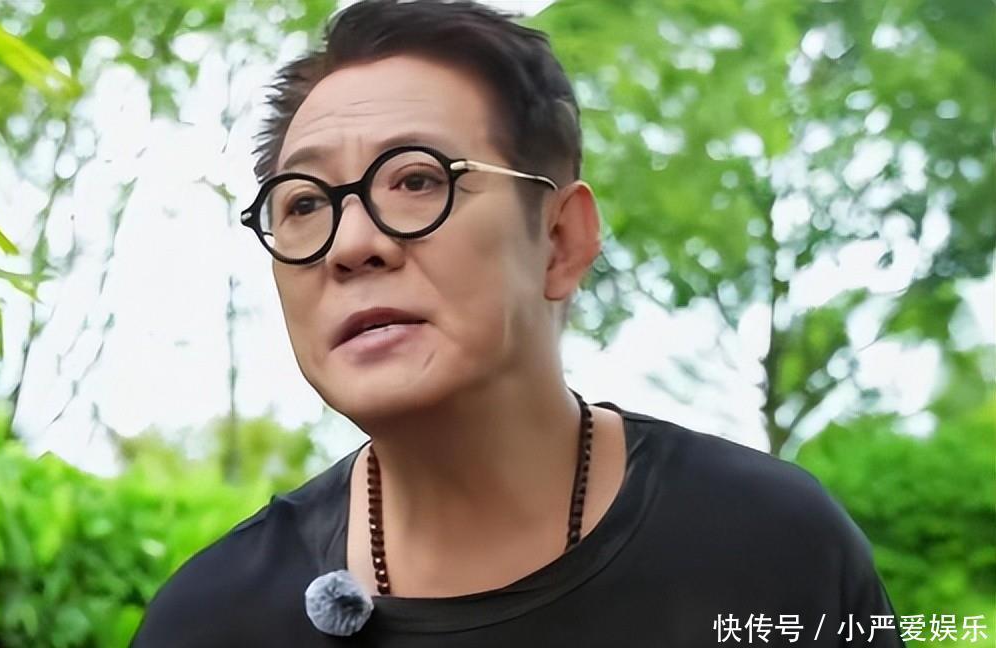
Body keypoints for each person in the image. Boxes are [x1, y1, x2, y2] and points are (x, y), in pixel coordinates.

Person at [133, 1, 906, 646]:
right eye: (304, 202)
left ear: (561, 240)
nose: (352, 243)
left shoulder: (772, 548)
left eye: (416, 180)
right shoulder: (210, 621)